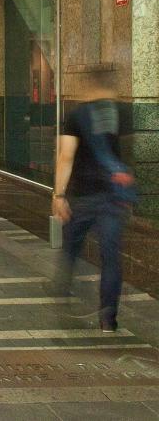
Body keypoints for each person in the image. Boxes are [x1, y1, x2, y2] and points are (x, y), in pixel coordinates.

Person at [53, 72, 136, 332]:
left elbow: (66, 156)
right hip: (113, 197)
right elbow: (128, 154)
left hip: (83, 197)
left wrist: (58, 195)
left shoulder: (77, 115)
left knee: (70, 249)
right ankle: (108, 319)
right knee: (111, 258)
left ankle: (63, 299)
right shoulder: (123, 112)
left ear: (87, 87)